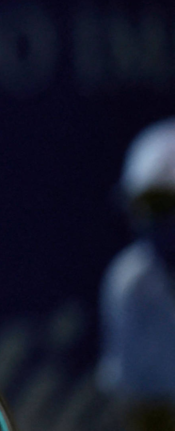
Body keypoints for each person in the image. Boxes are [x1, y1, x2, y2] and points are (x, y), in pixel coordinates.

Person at [98, 118, 175, 431]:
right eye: (140, 205)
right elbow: (139, 409)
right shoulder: (129, 283)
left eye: (161, 204)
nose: (147, 219)